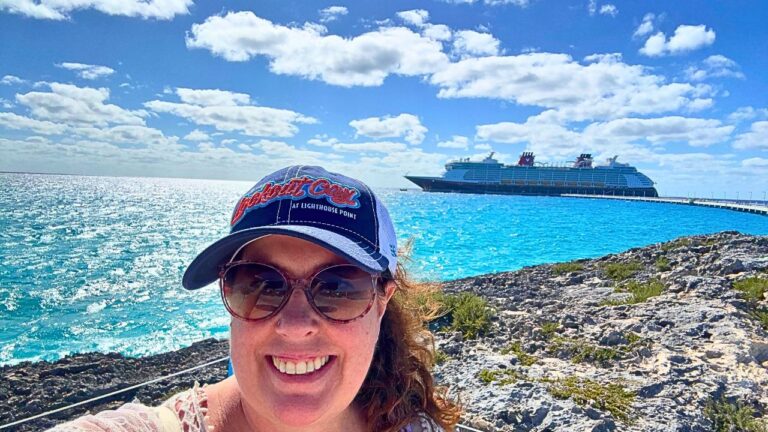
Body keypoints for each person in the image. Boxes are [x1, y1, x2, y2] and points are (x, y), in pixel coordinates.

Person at [50, 166, 461, 432]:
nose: (295, 325)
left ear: (382, 301)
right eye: (260, 283)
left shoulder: (414, 427)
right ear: (227, 292)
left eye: (338, 288)